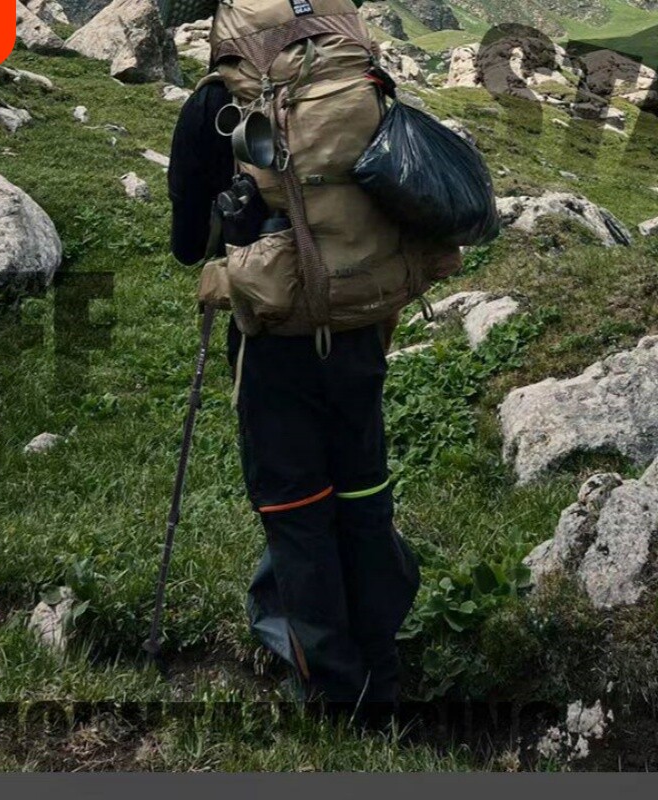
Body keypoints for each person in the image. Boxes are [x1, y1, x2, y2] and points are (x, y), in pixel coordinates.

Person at [168, 67, 420, 710]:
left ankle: (338, 692)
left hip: (271, 340)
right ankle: (382, 665)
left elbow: (188, 245)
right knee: (363, 494)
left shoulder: (216, 103)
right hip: (359, 323)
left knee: (295, 507)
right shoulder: (357, 81)